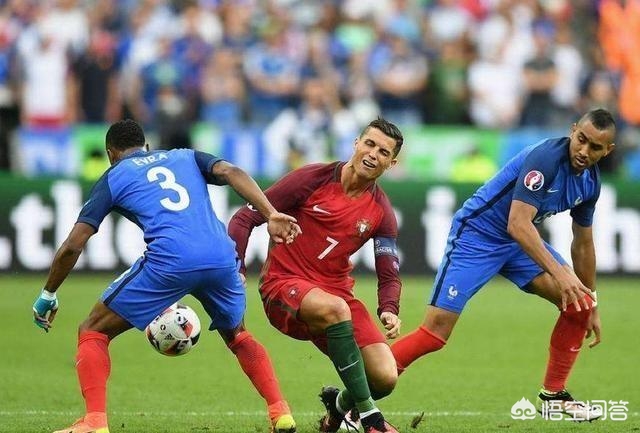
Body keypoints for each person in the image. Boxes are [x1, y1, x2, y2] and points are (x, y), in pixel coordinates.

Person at [31, 119, 301, 433]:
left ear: (110, 154)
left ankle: (94, 422)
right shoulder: (185, 156)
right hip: (222, 256)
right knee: (238, 335)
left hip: (171, 260)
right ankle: (281, 413)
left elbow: (73, 245)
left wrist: (48, 293)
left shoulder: (114, 175)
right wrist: (271, 213)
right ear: (146, 146)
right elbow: (232, 172)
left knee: (93, 330)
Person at [391, 108, 616, 421]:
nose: (584, 150)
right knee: (435, 332)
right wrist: (561, 273)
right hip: (478, 235)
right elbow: (518, 223)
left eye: (595, 147)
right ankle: (358, 391)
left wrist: (592, 301)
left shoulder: (590, 183)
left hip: (517, 243)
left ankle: (553, 396)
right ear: (573, 129)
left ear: (608, 150)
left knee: (579, 303)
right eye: (581, 139)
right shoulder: (545, 160)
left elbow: (583, 244)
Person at [228, 118, 404, 433]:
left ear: (391, 163)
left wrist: (389, 307)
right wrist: (236, 268)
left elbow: (389, 271)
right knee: (336, 308)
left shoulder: (381, 212)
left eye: (383, 152)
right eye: (369, 144)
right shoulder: (311, 179)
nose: (373, 154)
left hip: (336, 297)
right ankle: (371, 419)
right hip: (283, 286)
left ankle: (338, 408)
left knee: (385, 376)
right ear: (356, 143)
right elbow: (244, 217)